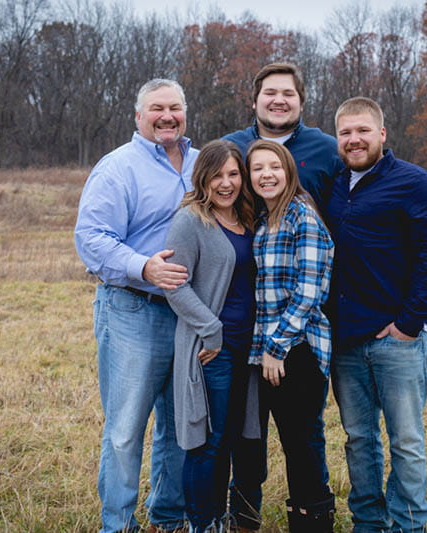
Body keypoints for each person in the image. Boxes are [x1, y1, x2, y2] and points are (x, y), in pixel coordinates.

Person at [74, 78, 198, 533]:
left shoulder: (202, 163)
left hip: (189, 314)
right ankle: (118, 524)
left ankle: (168, 518)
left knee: (179, 426)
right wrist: (144, 267)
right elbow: (90, 239)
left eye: (175, 107)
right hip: (133, 309)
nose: (167, 116)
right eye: (156, 108)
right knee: (126, 428)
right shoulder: (118, 167)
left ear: (186, 111)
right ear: (138, 116)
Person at [325, 97, 427, 533]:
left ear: (381, 134)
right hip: (345, 339)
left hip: (396, 338)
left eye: (362, 131)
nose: (353, 140)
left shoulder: (414, 182)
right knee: (359, 440)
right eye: (345, 133)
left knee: (406, 441)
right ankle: (368, 522)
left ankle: (409, 524)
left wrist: (409, 325)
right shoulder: (334, 184)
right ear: (337, 139)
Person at [231, 139, 336, 532]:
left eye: (273, 166)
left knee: (301, 447)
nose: (266, 175)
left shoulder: (300, 217)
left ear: (289, 169)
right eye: (257, 169)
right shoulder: (262, 219)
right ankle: (241, 519)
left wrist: (277, 348)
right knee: (251, 445)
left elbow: (308, 293)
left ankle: (313, 525)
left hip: (298, 351)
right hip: (263, 355)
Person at [162, 140, 256, 533]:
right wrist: (212, 330)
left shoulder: (248, 217)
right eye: (217, 175)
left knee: (235, 439)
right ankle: (202, 523)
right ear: (203, 178)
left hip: (248, 348)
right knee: (207, 443)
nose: (226, 183)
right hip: (212, 350)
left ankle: (222, 517)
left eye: (233, 174)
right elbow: (174, 285)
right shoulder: (191, 220)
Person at [223, 62, 343, 208]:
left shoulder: (329, 150)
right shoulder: (228, 148)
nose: (279, 101)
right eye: (270, 93)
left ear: (302, 104)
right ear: (254, 101)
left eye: (288, 94)